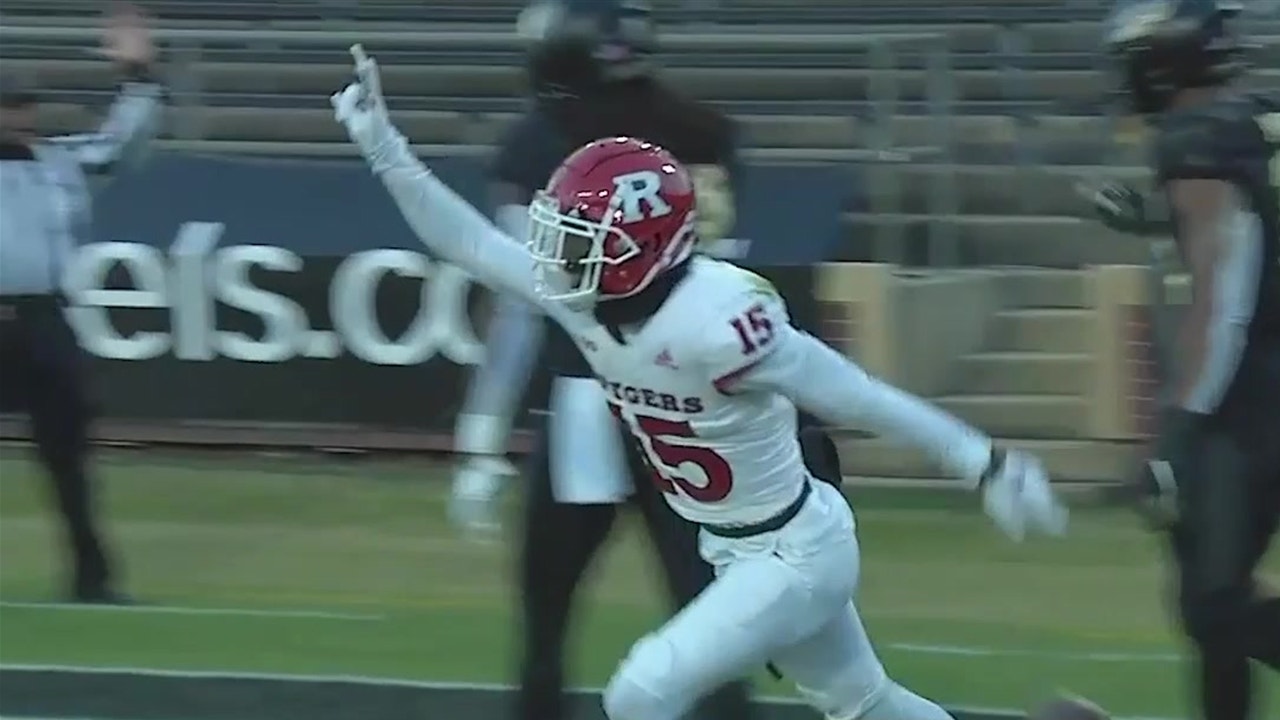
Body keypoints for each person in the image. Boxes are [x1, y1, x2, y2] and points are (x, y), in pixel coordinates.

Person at [333, 45, 1067, 720]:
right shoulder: (587, 302)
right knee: (865, 703)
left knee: (640, 692)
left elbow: (856, 394)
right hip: (737, 545)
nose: (557, 259)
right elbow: (468, 241)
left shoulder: (720, 323)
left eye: (579, 242)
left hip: (792, 553)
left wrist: (984, 461)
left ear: (639, 248)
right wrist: (382, 145)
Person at [447, 3, 761, 719]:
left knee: (546, 615)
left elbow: (523, 302)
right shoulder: (705, 131)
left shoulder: (546, 138)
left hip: (592, 397)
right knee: (707, 613)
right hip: (692, 403)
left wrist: (480, 436)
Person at [1085, 1, 1280, 718]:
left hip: (1248, 399)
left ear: (1163, 68)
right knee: (1212, 601)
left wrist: (1177, 429)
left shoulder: (1197, 139)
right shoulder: (1255, 120)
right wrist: (1159, 215)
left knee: (1213, 601)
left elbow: (1225, 293)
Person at [0, 3, 164, 604]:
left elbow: (121, 143)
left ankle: (91, 578)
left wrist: (139, 76)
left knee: (69, 455)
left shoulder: (60, 163)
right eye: (9, 107)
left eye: (24, 106)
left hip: (44, 320)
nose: (21, 116)